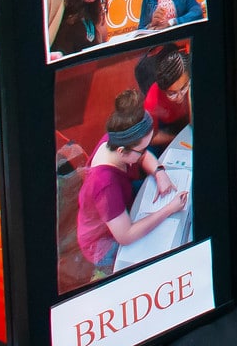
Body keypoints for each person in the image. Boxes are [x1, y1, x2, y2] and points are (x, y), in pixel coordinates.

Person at [77, 90, 187, 278]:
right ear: (122, 151)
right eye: (142, 148)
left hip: (123, 204)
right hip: (104, 244)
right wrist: (169, 208)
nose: (145, 153)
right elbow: (125, 235)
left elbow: (143, 156)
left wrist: (159, 172)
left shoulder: (112, 141)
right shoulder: (105, 185)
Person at [142, 45, 192, 151]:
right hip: (166, 128)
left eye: (183, 88)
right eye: (172, 93)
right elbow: (151, 137)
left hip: (187, 120)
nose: (179, 98)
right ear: (163, 90)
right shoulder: (153, 99)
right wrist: (177, 139)